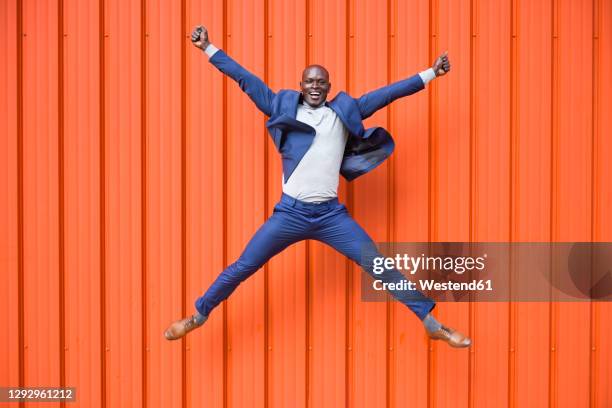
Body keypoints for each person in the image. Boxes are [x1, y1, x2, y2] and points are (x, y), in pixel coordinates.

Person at [164, 25, 471, 348]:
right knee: (242, 266)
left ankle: (432, 323)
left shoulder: (342, 112)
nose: (315, 86)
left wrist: (430, 74)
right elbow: (244, 79)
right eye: (309, 81)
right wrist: (208, 48)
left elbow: (387, 94)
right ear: (301, 85)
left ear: (329, 87)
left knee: (379, 264)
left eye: (321, 82)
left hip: (330, 217)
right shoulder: (281, 106)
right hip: (290, 214)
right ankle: (197, 316)